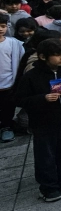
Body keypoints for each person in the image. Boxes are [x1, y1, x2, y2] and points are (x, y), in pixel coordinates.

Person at [16, 38, 61, 201]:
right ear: (43, 57)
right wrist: (42, 98)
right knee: (45, 156)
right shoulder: (32, 76)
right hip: (43, 124)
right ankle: (48, 187)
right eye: (57, 55)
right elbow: (20, 99)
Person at [0, 13, 25, 142]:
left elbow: (20, 62)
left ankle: (7, 127)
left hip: (9, 82)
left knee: (8, 107)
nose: (0, 29)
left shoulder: (14, 43)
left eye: (3, 26)